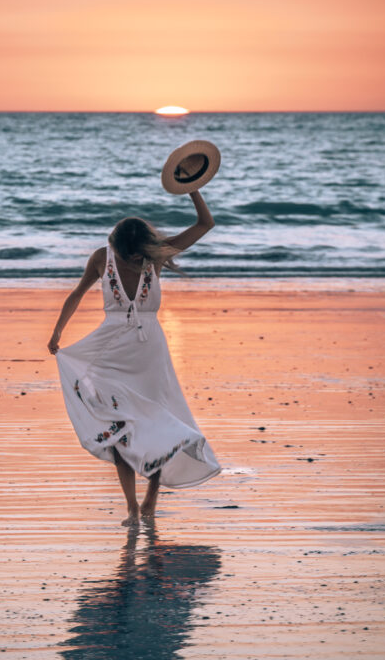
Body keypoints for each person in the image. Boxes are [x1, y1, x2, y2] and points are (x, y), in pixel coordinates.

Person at [48, 190, 221, 526]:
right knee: (126, 428)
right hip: (119, 350)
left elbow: (205, 224)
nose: (126, 257)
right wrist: (57, 333)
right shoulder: (116, 257)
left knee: (144, 426)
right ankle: (136, 508)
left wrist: (193, 189)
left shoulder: (144, 256)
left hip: (143, 353)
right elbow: (76, 293)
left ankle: (146, 505)